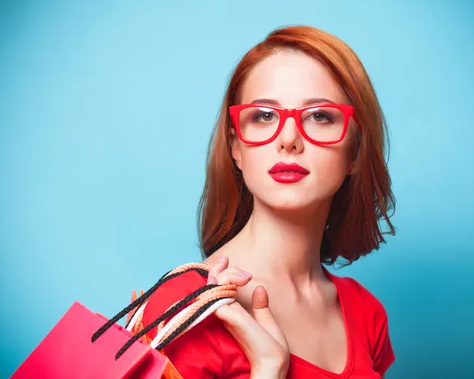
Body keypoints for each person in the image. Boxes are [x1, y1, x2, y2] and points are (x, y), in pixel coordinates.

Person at [140, 25, 396, 378]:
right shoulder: (185, 306)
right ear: (236, 147)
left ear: (355, 150)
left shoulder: (367, 313)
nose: (289, 139)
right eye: (264, 116)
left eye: (320, 116)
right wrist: (268, 370)